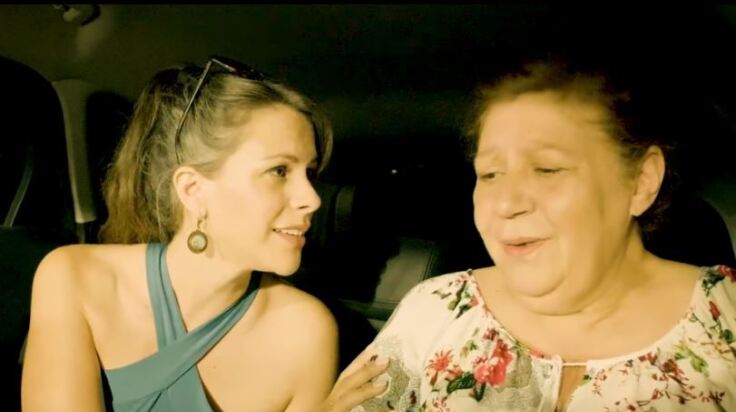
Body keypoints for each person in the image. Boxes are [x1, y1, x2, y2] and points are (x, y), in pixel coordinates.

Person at [348, 58, 736, 411]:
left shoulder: (727, 318)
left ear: (640, 181)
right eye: (489, 174)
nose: (505, 203)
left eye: (547, 169)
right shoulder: (435, 312)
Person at [20, 55, 385, 412]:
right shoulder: (76, 277)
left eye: (310, 173)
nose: (312, 199)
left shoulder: (306, 330)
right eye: (279, 171)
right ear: (193, 190)